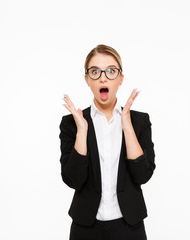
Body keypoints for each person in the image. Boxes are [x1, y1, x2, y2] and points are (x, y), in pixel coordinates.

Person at [59, 44, 156, 240]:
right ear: (87, 79)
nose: (103, 77)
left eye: (111, 71)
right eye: (95, 72)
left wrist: (127, 127)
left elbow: (143, 175)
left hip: (130, 227)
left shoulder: (139, 121)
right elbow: (73, 180)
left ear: (121, 78)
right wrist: (82, 132)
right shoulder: (72, 122)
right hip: (85, 227)